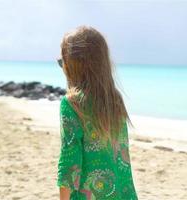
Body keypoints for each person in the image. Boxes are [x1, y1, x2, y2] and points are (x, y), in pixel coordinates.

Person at [57, 26, 138, 200]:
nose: (62, 66)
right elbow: (122, 161)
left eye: (62, 61)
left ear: (74, 64)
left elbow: (69, 164)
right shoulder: (114, 100)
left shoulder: (72, 104)